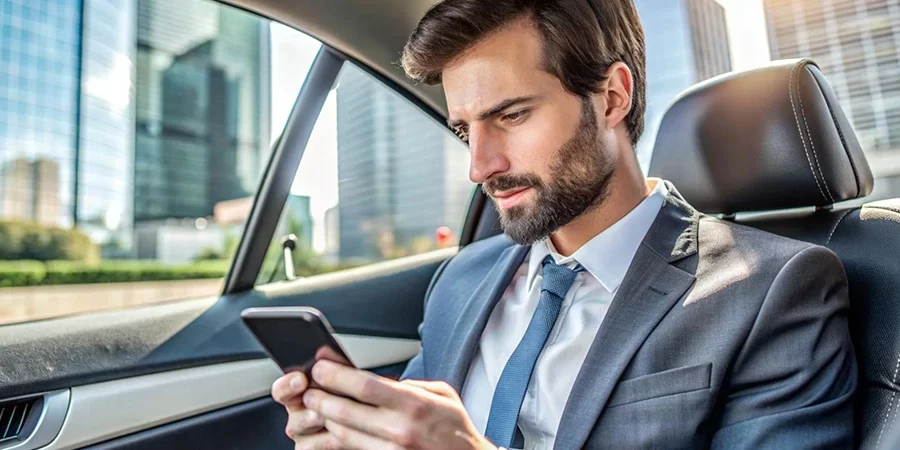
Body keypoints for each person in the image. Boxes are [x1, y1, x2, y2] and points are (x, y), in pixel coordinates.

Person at [271, 0, 857, 448]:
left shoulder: (772, 291)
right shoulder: (461, 281)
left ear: (611, 97)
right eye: (463, 130)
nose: (481, 165)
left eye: (513, 114)